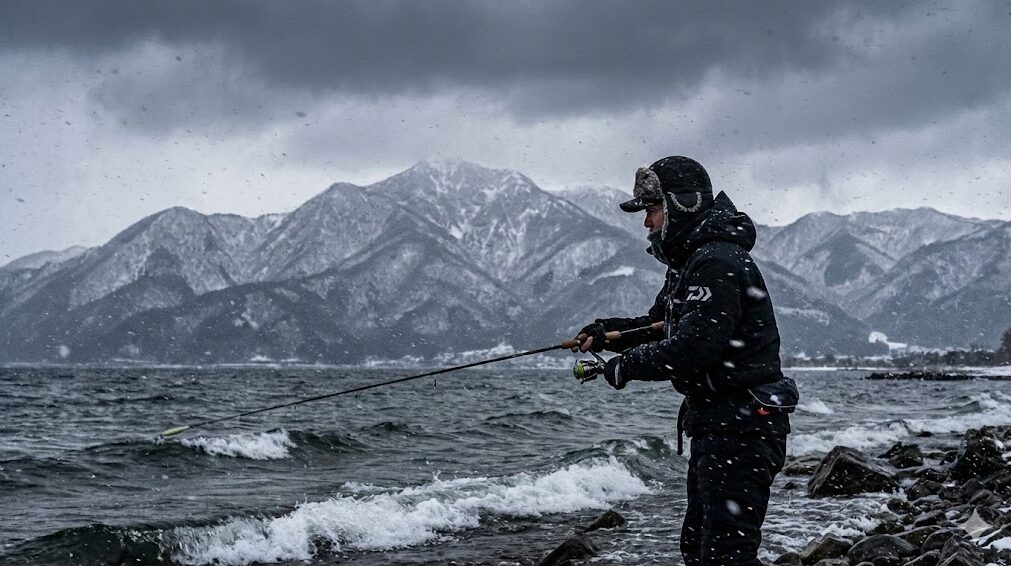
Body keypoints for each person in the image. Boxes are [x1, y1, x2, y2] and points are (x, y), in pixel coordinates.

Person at [572, 156, 798, 566]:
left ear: (683, 205)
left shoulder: (717, 262)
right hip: (721, 426)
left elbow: (695, 348)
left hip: (743, 428)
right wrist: (607, 331)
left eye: (653, 211)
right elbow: (660, 324)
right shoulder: (691, 262)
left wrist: (623, 367)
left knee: (725, 556)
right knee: (698, 549)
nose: (648, 224)